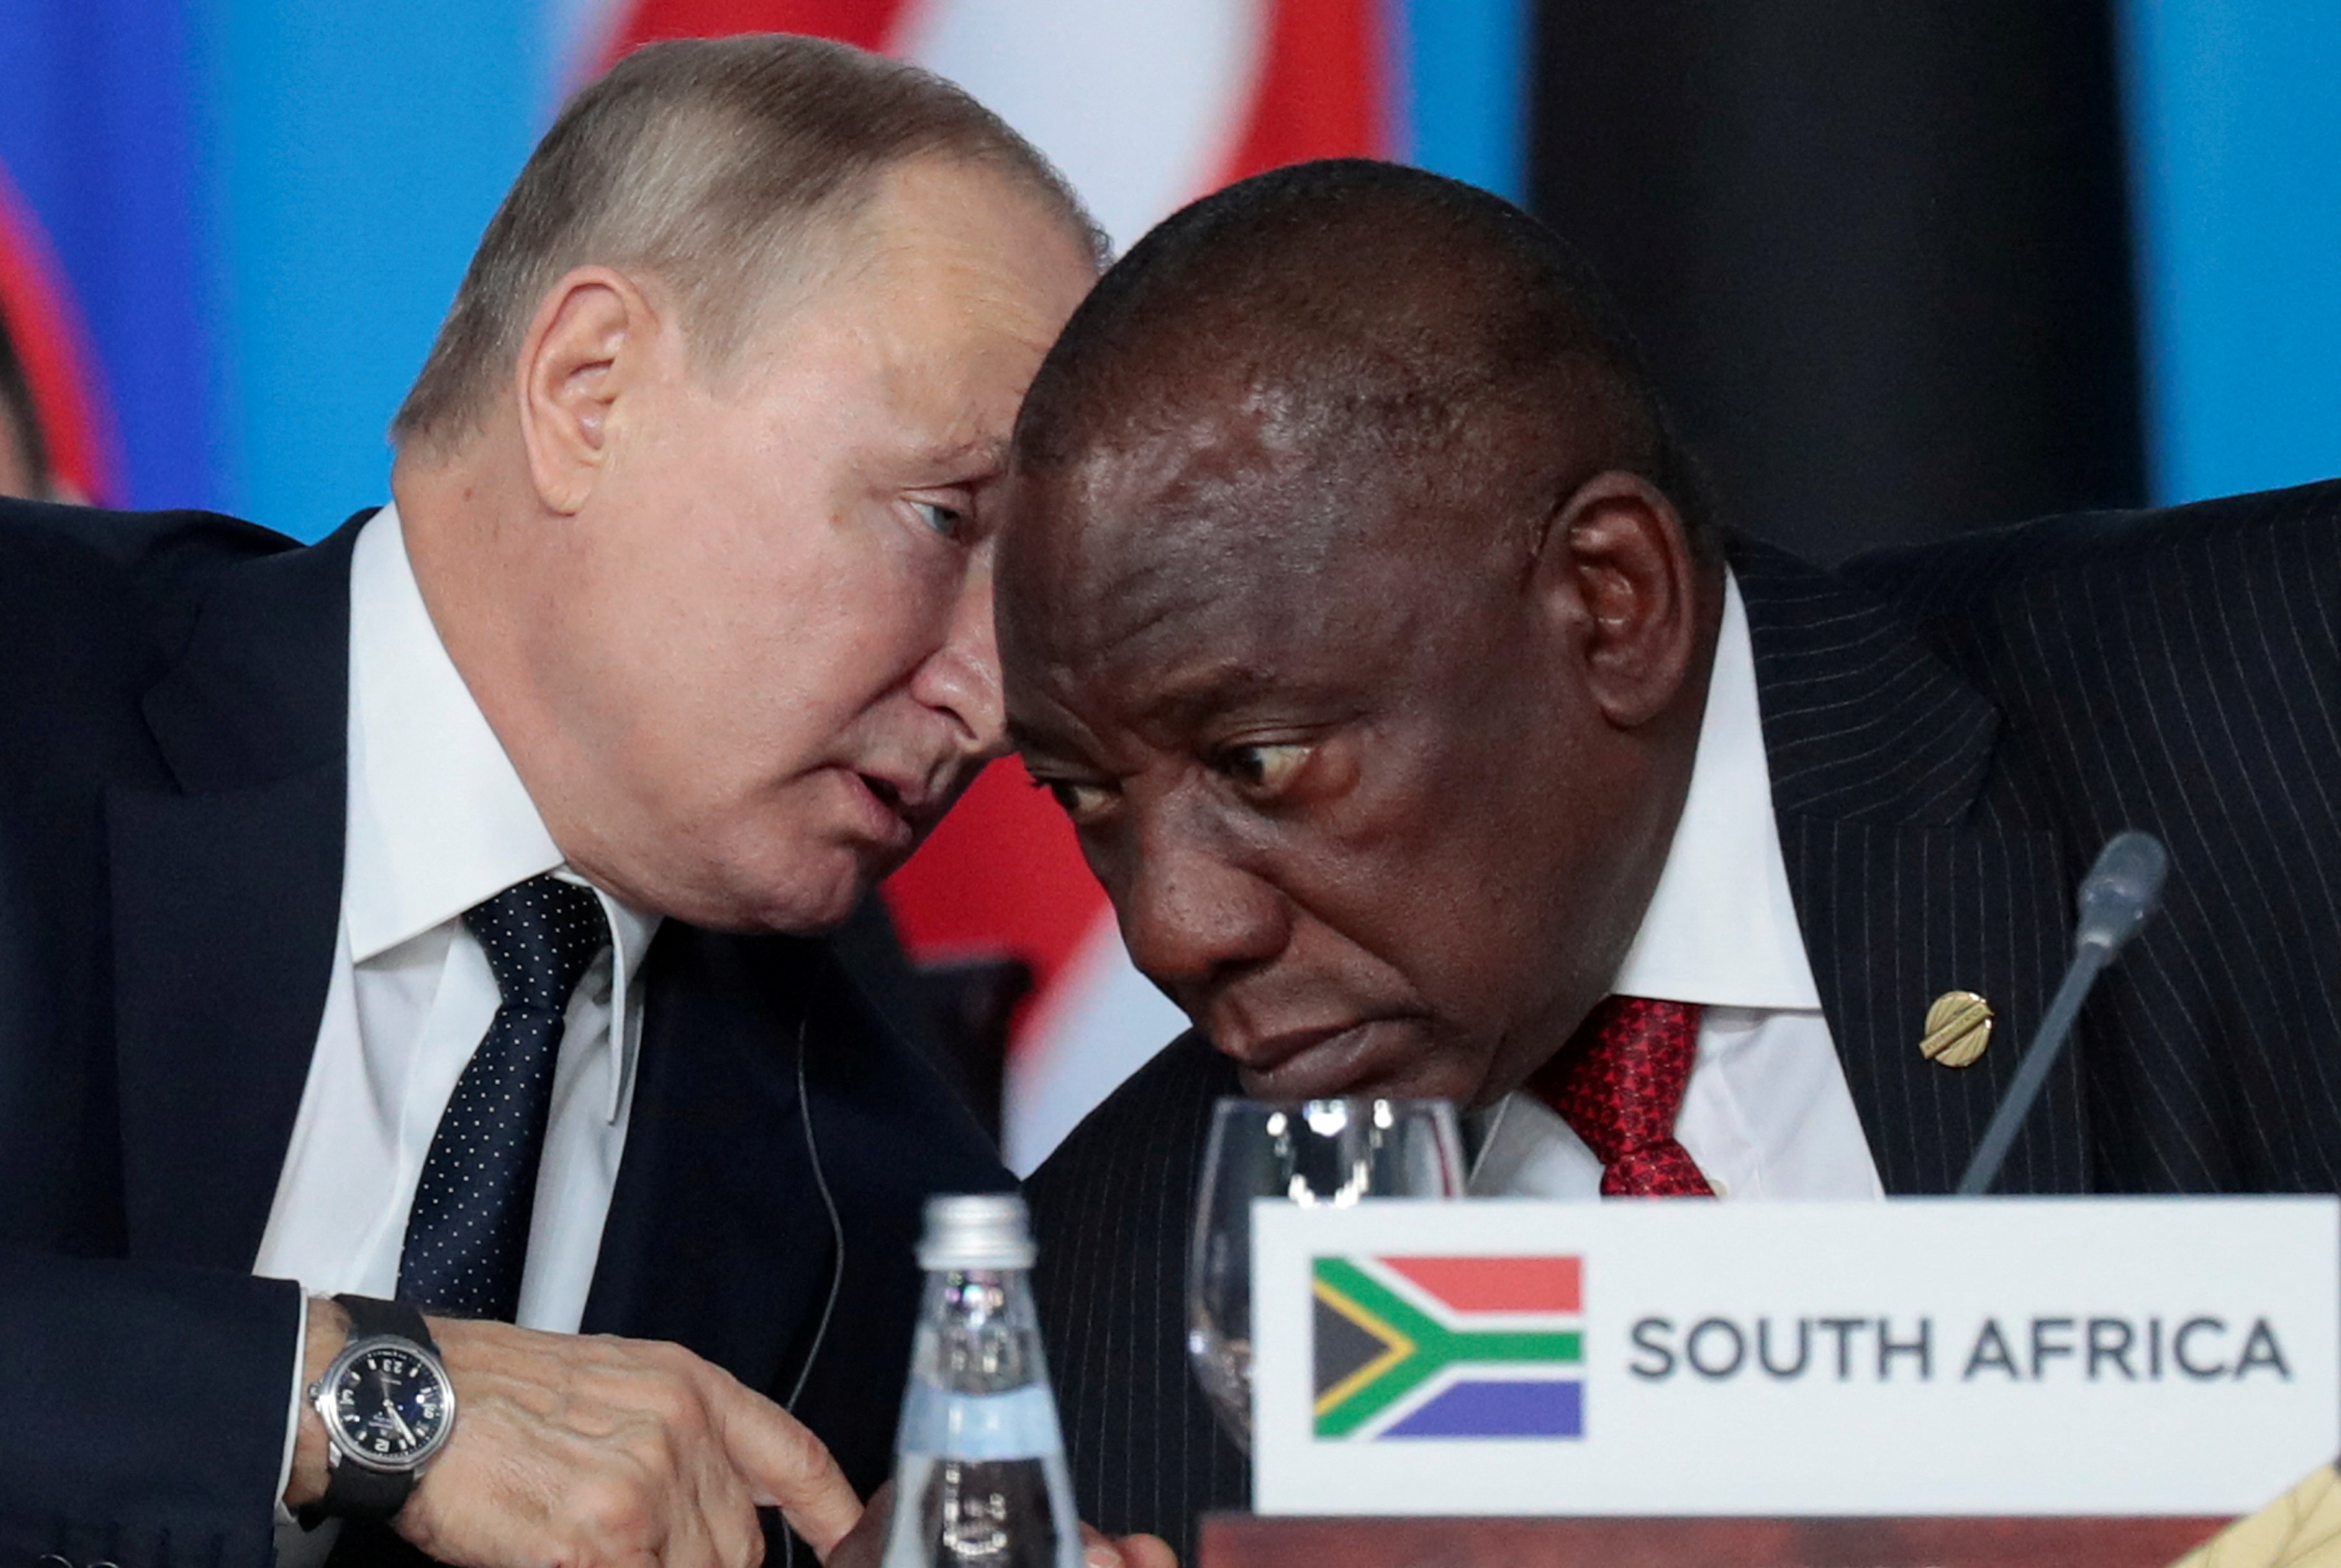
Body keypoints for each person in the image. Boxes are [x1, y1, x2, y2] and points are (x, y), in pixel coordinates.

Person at [996, 158, 2341, 1560]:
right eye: (1082, 794)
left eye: (1258, 763)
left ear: (1611, 604)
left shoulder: (2284, 719)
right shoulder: (1110, 1329)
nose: (1169, 927)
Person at [0, 35, 1114, 1568]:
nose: (990, 699)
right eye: (942, 516)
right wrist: (347, 1401)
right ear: (591, 390)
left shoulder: (889, 1175)